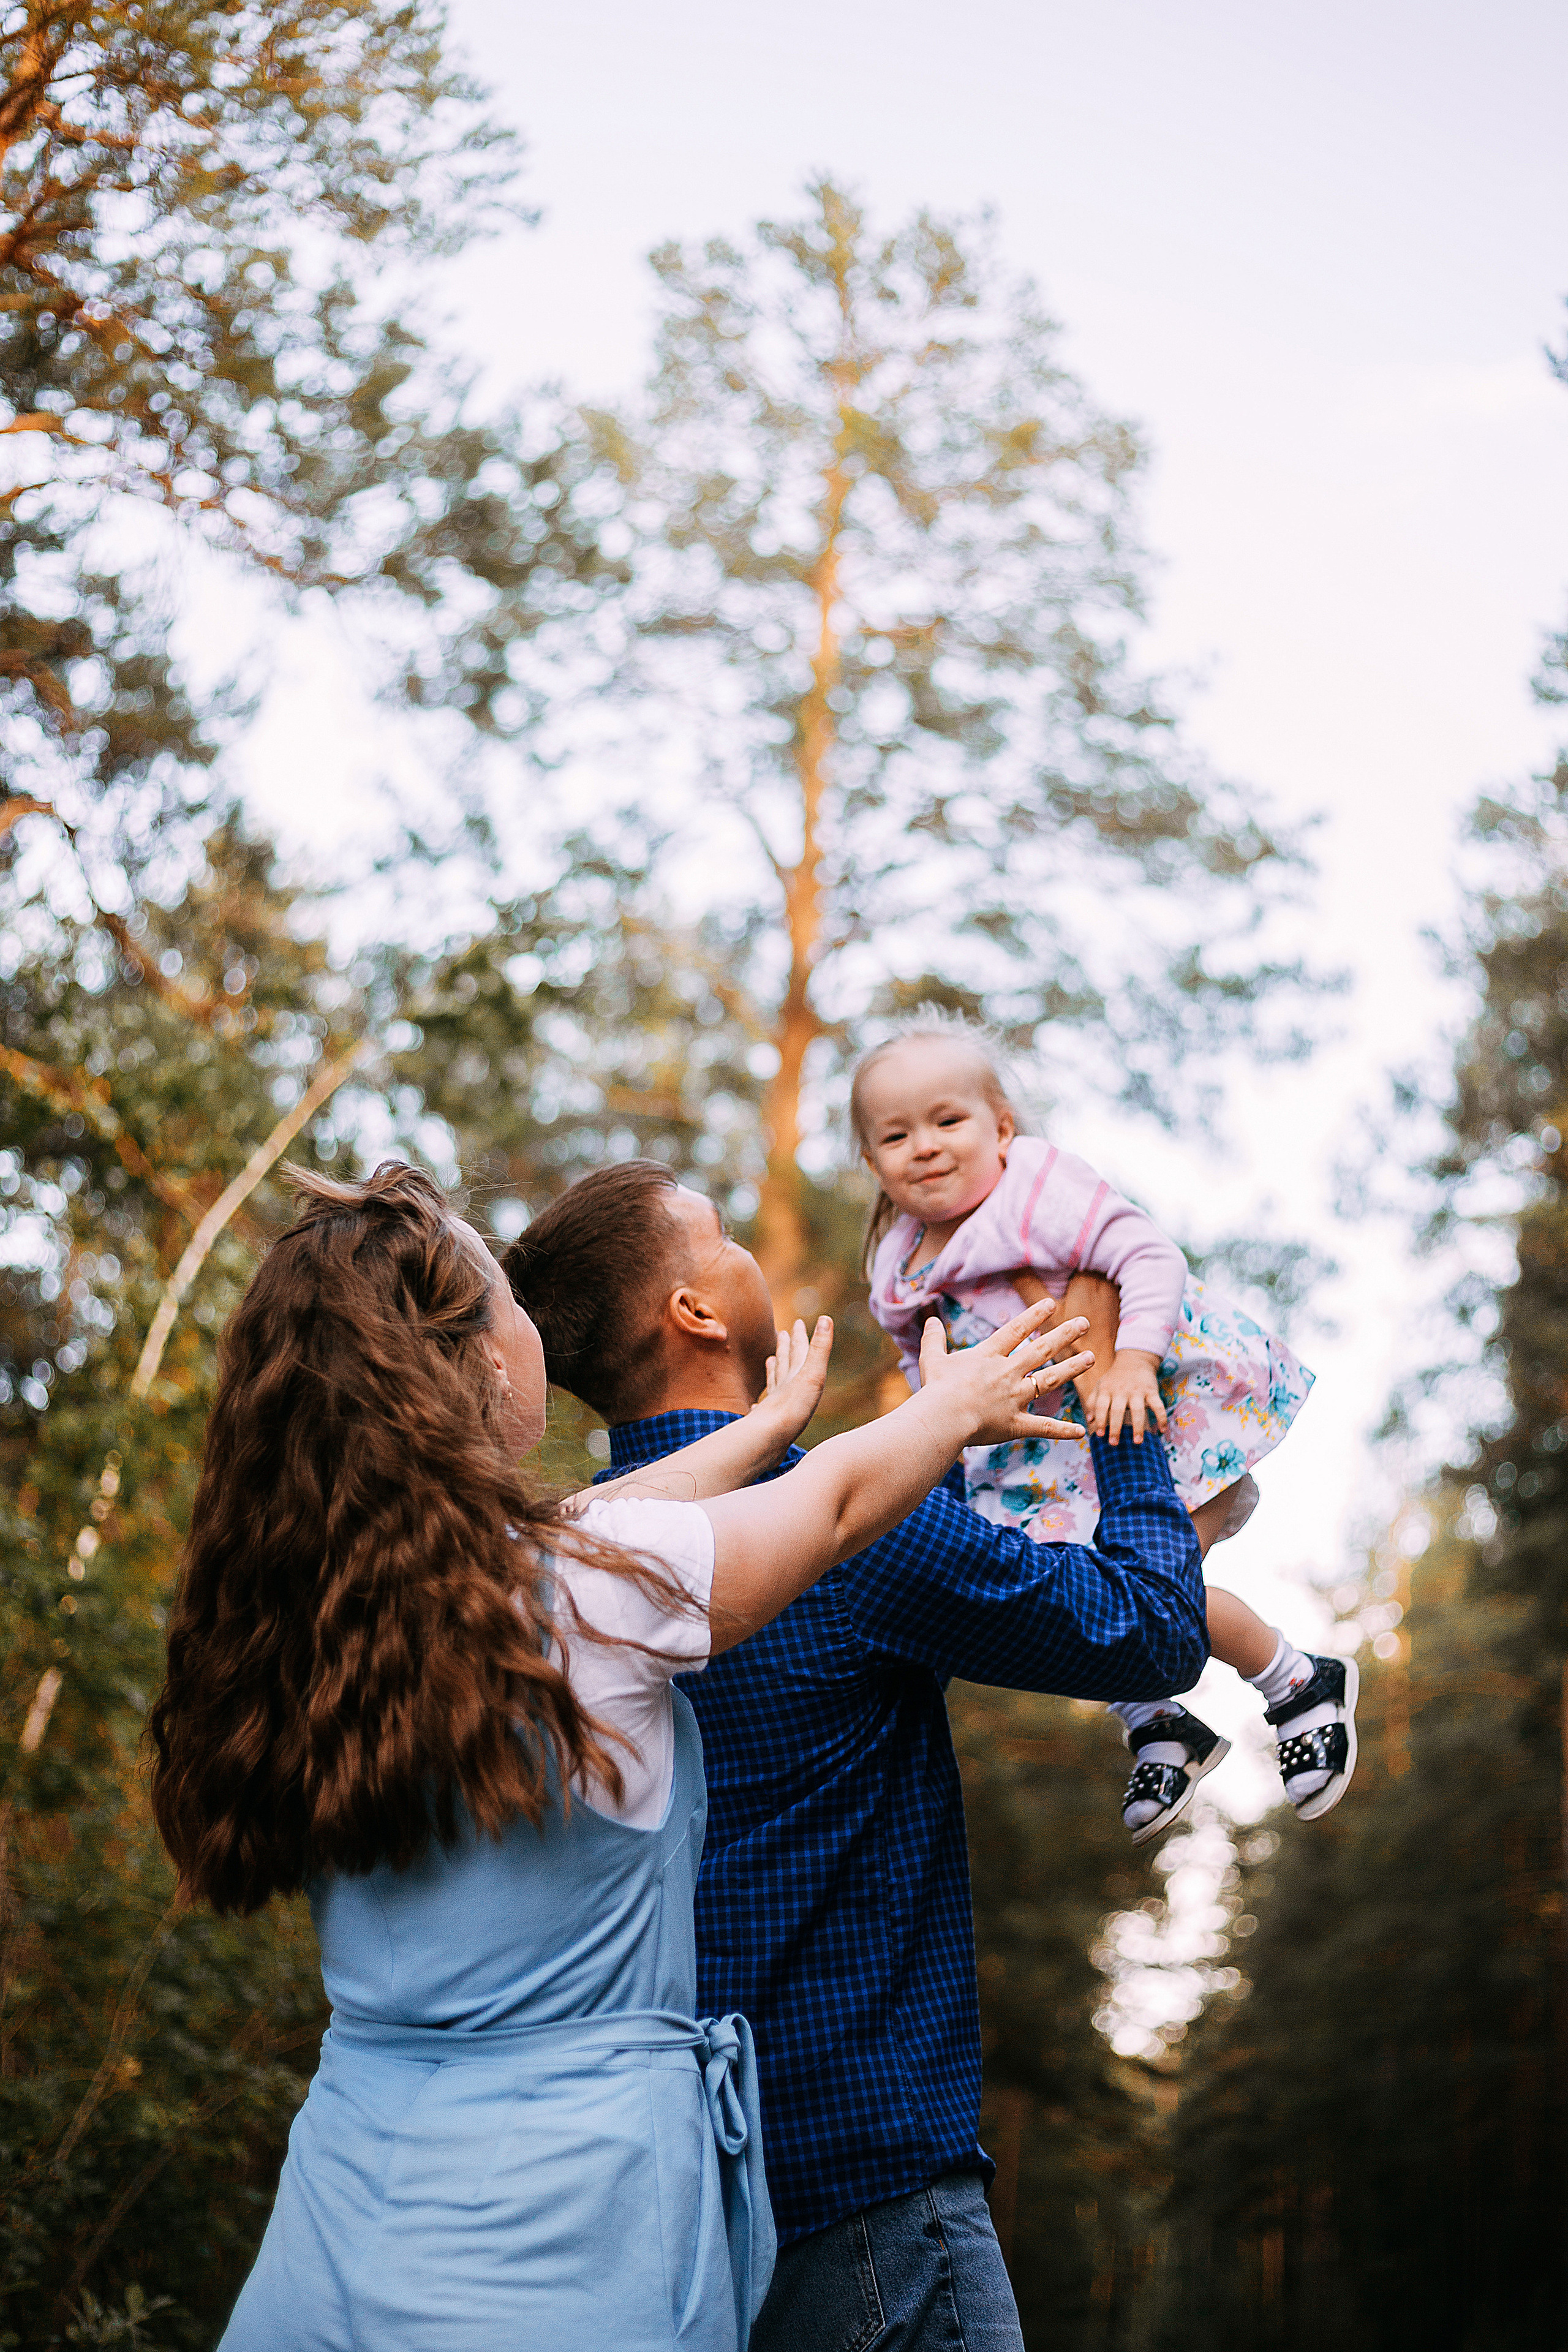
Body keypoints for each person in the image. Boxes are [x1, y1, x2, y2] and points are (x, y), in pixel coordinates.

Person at [148, 1159, 1083, 2352]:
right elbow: (838, 1509)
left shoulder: (330, 1618)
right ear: (488, 1363)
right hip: (552, 2237)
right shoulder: (576, 1593)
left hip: (340, 2225)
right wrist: (947, 1407)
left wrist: (758, 1431)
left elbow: (597, 1532)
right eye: (514, 1309)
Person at [506, 1159, 1212, 2352]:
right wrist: (1118, 1389)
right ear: (695, 1312)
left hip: (654, 2210)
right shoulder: (836, 1524)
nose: (749, 1256)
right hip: (868, 2206)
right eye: (720, 1238)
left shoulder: (550, 1566)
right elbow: (1146, 1629)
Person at [852, 1013, 1358, 1843]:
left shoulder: (1037, 1188)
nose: (926, 1146)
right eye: (896, 1134)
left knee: (1158, 1597)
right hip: (1040, 1450)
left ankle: (1297, 1679)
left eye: (949, 1121)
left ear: (1002, 1127)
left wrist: (1130, 1360)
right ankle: (1159, 1719)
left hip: (1146, 1403)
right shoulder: (899, 1263)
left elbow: (1147, 1255)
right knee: (1076, 1602)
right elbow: (923, 1365)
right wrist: (941, 1427)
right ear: (873, 1160)